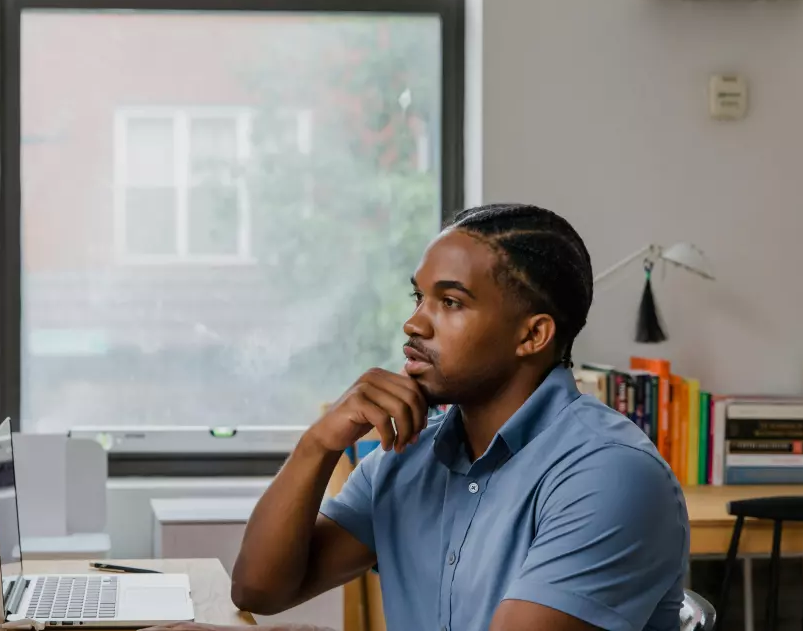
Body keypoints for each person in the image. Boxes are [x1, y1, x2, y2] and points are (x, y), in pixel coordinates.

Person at [144, 204, 690, 631]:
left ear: (533, 335)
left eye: (450, 302)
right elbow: (259, 590)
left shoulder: (608, 475)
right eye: (419, 297)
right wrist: (319, 444)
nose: (413, 324)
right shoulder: (412, 456)